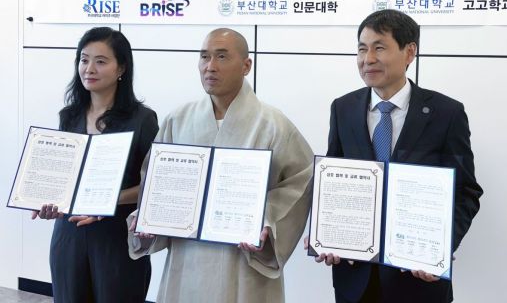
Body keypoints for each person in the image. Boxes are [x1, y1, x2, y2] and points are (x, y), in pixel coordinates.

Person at [128, 28, 313, 303]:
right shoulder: (178, 120)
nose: (210, 66)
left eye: (222, 56)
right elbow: (155, 182)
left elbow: (302, 180)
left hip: (242, 261)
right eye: (204, 57)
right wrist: (148, 219)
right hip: (188, 257)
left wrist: (266, 221)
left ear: (246, 65)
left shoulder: (273, 124)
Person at [317, 9, 483, 303]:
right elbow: (332, 181)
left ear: (409, 52)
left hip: (417, 282)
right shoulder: (342, 108)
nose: (368, 59)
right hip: (354, 280)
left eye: (379, 48)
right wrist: (325, 233)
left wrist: (441, 246)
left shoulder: (447, 113)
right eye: (362, 49)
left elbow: (465, 192)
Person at [32, 27, 159, 303]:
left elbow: (154, 185)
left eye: (100, 61)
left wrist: (107, 200)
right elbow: (61, 177)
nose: (89, 69)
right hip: (69, 235)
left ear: (121, 68)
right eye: (84, 59)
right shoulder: (69, 117)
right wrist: (47, 200)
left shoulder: (142, 119)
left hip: (116, 238)